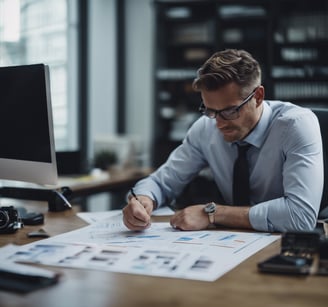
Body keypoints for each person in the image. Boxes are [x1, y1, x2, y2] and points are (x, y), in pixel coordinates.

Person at [123, 49, 323, 233]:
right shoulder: (205, 128)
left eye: (229, 111)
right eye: (210, 110)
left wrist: (212, 213)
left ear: (258, 96)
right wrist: (142, 199)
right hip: (234, 243)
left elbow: (300, 215)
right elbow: (161, 182)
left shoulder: (296, 126)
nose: (219, 124)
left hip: (289, 244)